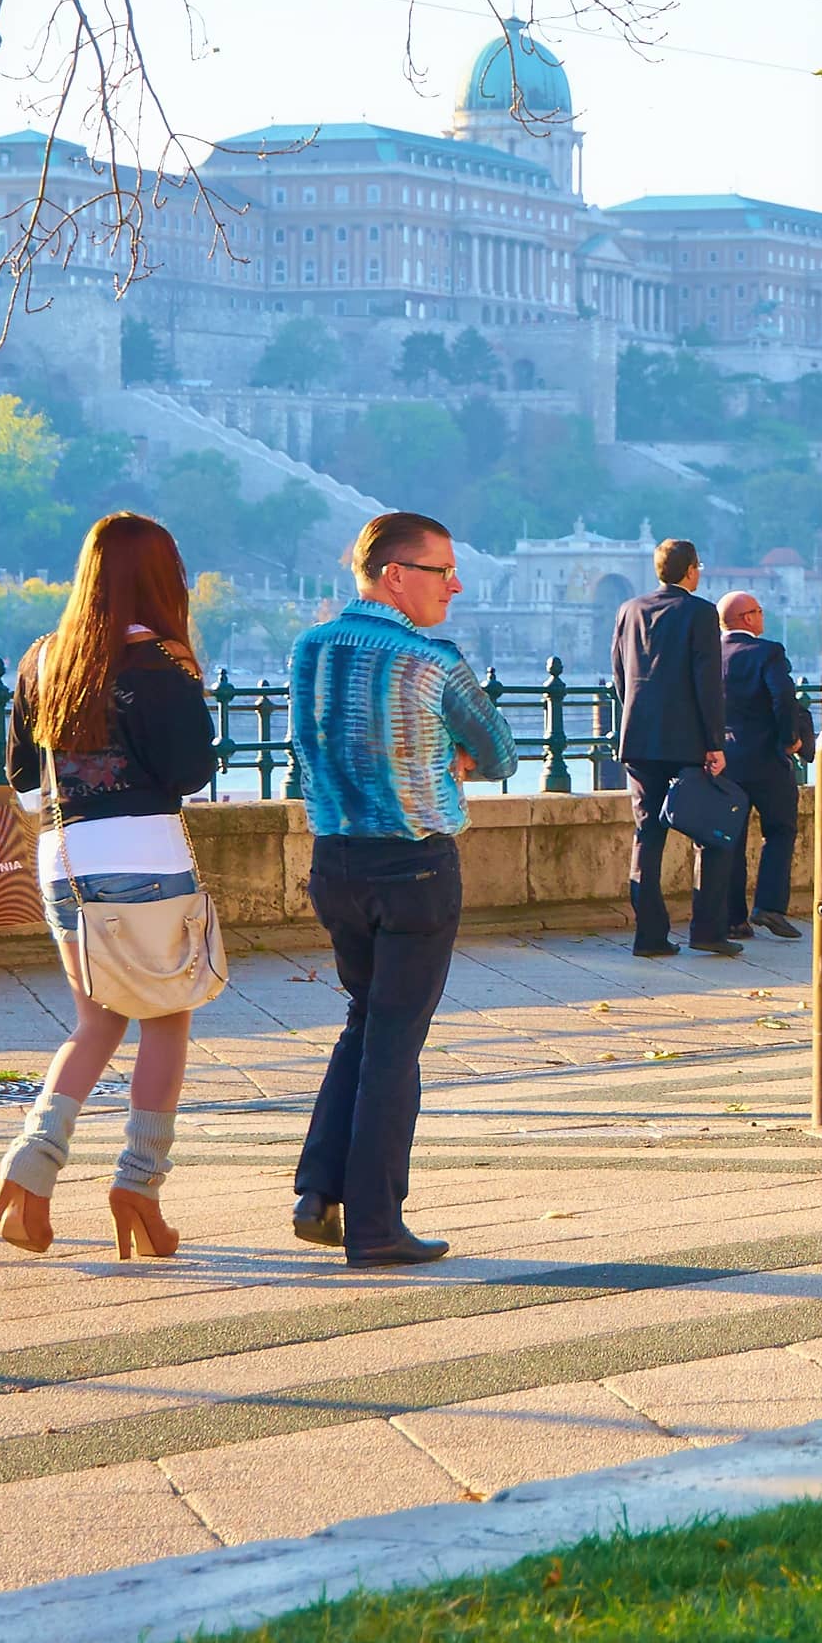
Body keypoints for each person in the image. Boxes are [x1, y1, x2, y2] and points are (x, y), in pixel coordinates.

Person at [289, 510, 517, 1268]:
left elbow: (324, 743)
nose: (455, 584)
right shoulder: (432, 662)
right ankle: (377, 1224)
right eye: (441, 570)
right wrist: (452, 754)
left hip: (334, 862)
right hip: (415, 866)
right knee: (395, 1041)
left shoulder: (310, 650)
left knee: (364, 1019)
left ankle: (318, 1188)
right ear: (395, 574)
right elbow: (500, 749)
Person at [0, 513, 220, 1260]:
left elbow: (23, 776)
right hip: (145, 855)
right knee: (166, 1018)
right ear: (160, 579)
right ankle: (139, 1183)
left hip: (64, 858)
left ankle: (32, 1168)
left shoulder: (42, 661)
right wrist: (189, 676)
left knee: (96, 1024)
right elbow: (190, 772)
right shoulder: (161, 665)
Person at [612, 538, 735, 959]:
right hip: (686, 742)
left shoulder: (629, 610)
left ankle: (648, 936)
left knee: (647, 836)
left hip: (639, 739)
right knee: (711, 832)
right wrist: (714, 743)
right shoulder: (701, 612)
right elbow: (707, 683)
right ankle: (707, 929)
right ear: (690, 571)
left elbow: (619, 676)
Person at [719, 590, 809, 940]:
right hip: (766, 759)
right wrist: (789, 739)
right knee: (780, 831)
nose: (762, 617)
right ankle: (769, 906)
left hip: (724, 761)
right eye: (758, 611)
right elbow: (782, 696)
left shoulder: (709, 655)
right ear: (747, 618)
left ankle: (733, 919)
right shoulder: (767, 651)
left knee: (731, 840)